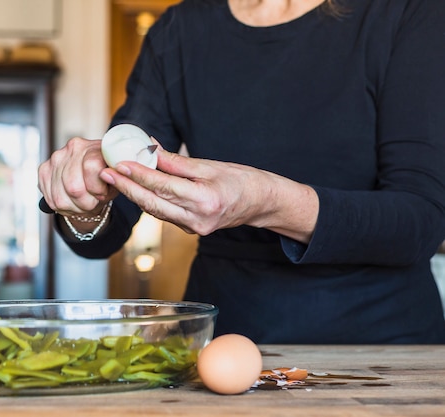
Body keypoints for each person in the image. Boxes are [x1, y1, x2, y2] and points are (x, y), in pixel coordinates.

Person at [38, 0, 445, 344]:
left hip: (384, 351)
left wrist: (268, 202)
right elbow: (104, 226)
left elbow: (422, 219)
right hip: (227, 338)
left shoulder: (408, 13)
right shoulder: (179, 32)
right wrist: (83, 198)